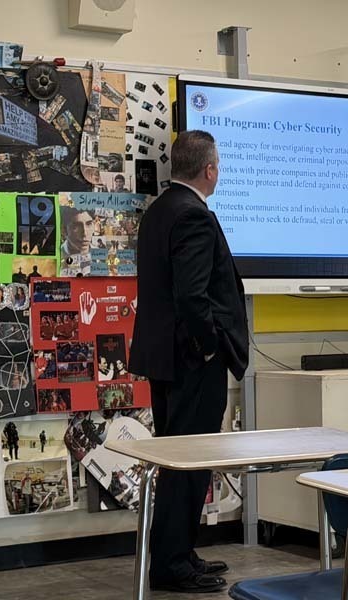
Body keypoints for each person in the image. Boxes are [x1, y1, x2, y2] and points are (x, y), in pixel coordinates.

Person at [129, 130, 248, 594]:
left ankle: (177, 551)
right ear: (209, 169)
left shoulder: (158, 211)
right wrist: (210, 347)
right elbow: (193, 297)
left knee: (177, 459)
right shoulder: (194, 216)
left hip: (163, 360)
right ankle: (173, 564)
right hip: (192, 362)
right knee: (190, 462)